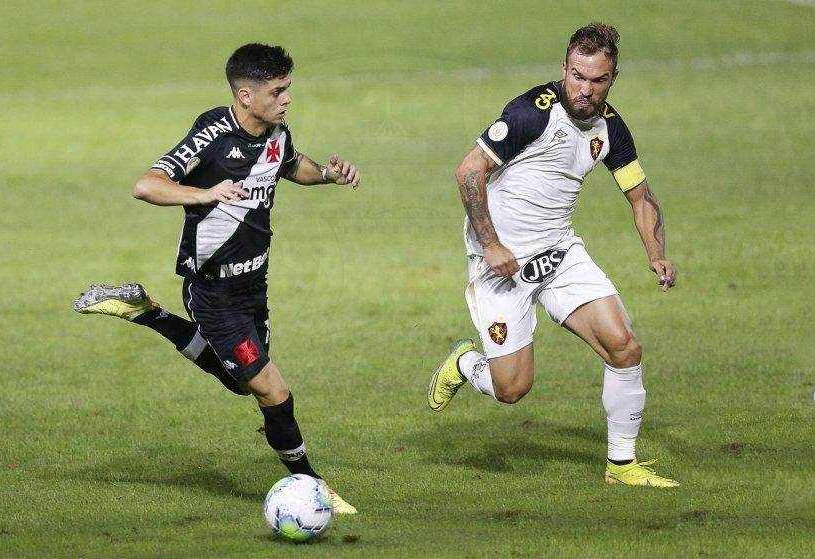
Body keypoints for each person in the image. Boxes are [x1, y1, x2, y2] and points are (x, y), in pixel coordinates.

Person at [73, 44, 359, 512]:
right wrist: (206, 193)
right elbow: (146, 185)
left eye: (288, 88)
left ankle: (147, 312)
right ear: (245, 95)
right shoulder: (211, 133)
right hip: (213, 290)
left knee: (241, 383)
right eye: (277, 91)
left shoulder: (275, 131)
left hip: (253, 285)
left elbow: (291, 164)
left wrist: (329, 174)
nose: (287, 98)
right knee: (272, 389)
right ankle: (313, 486)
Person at [428, 23, 679, 487]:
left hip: (559, 251)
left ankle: (622, 465)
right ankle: (466, 363)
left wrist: (656, 253)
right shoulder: (531, 114)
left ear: (613, 78)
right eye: (577, 77)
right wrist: (490, 244)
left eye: (597, 80)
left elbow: (640, 196)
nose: (585, 90)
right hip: (501, 262)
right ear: (564, 68)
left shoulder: (611, 127)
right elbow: (468, 171)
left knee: (625, 347)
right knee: (512, 389)